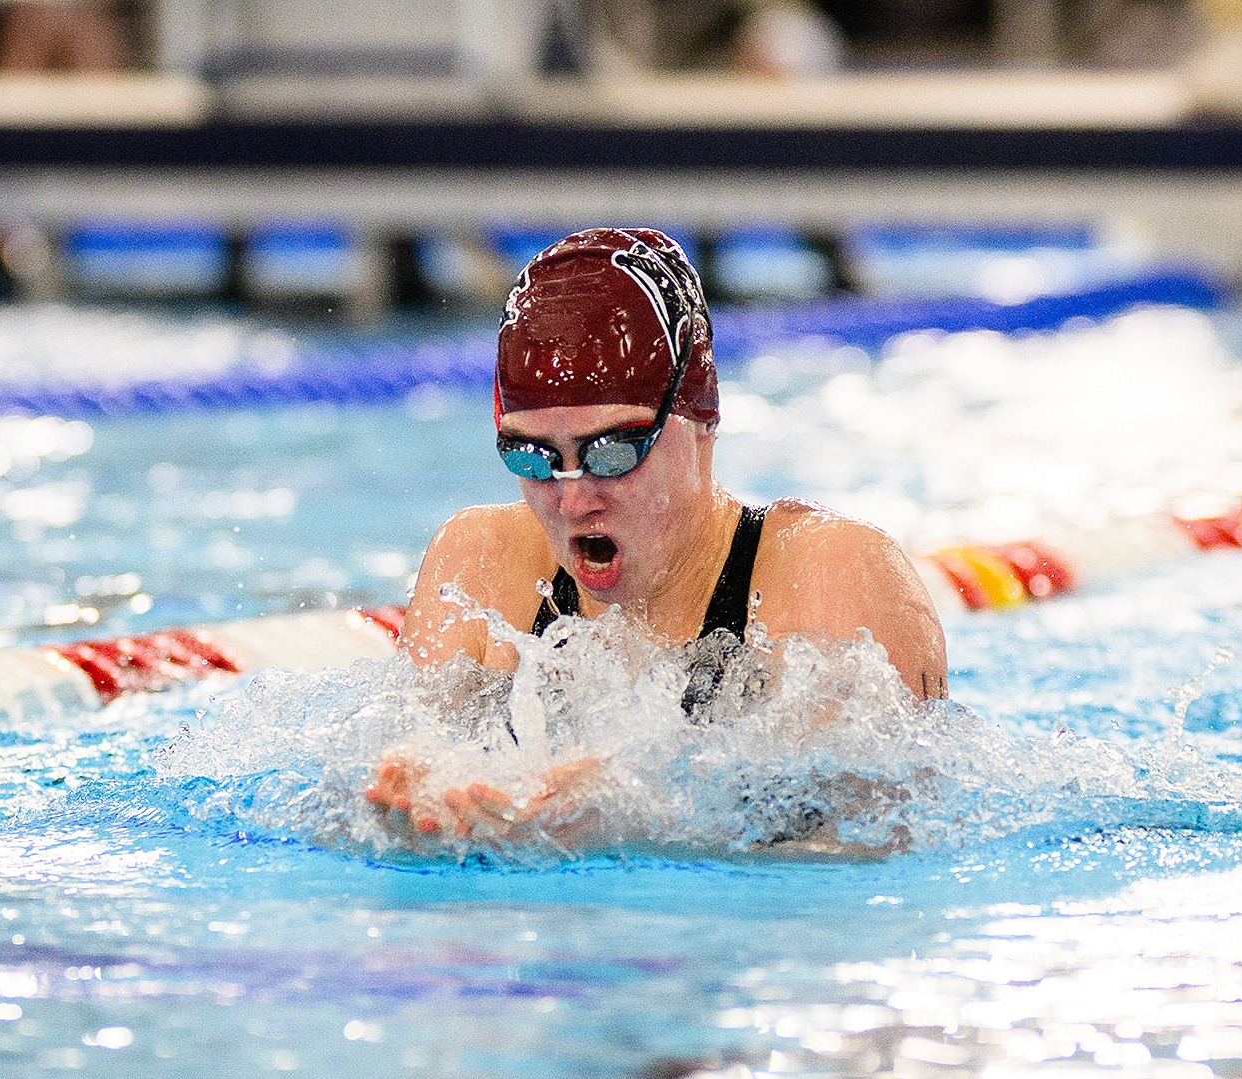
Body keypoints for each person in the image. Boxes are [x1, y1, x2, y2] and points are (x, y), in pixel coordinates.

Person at [366, 227, 946, 847]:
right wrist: (406, 810)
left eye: (613, 451)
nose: (573, 499)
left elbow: (875, 858)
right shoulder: (479, 562)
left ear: (699, 418)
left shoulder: (831, 575)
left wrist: (643, 820)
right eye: (533, 457)